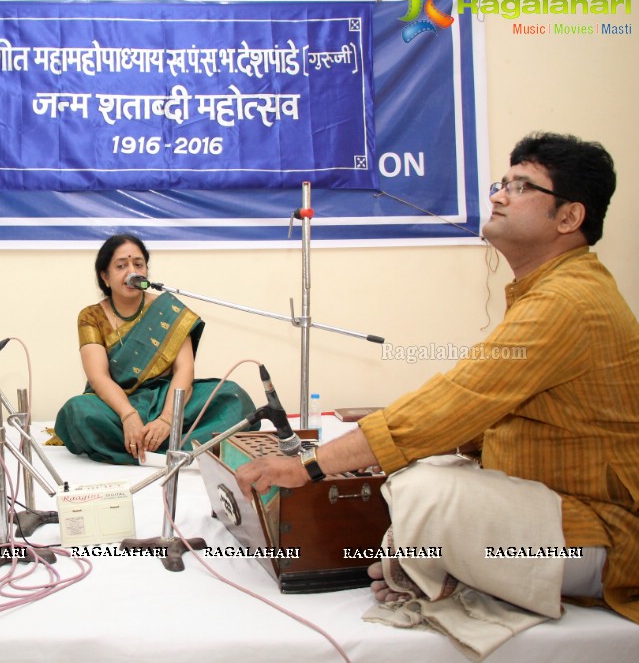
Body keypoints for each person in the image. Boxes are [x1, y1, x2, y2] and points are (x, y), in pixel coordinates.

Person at [236, 133, 639, 625]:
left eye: (521, 186)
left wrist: (313, 467)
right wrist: (374, 441)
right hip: (547, 515)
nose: (497, 195)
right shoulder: (551, 291)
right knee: (415, 471)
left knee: (425, 489)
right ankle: (442, 566)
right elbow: (469, 413)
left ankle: (451, 568)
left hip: (595, 540)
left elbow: (457, 401)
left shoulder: (567, 302)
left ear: (569, 217)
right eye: (501, 182)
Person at [54, 234, 256, 464]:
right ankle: (182, 449)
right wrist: (128, 415)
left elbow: (184, 370)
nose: (132, 271)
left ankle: (143, 448)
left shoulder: (169, 310)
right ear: (105, 277)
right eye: (121, 266)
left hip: (166, 399)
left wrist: (168, 419)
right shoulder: (91, 316)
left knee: (233, 397)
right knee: (78, 411)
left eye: (138, 265)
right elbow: (98, 377)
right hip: (117, 405)